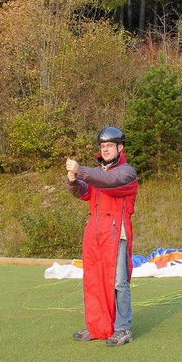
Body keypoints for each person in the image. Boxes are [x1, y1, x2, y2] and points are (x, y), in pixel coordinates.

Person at [66, 126, 139, 347]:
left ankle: (122, 328)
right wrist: (72, 182)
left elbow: (109, 182)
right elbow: (85, 191)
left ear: (120, 147)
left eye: (109, 146)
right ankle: (97, 327)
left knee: (118, 281)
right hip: (95, 231)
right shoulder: (98, 174)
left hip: (116, 229)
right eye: (102, 146)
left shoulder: (127, 172)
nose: (105, 150)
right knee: (94, 279)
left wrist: (81, 170)